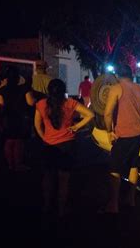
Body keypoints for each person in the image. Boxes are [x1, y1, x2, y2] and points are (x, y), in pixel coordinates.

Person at [102, 65, 140, 213]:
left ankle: (113, 205)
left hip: (123, 134)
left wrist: (109, 131)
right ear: (131, 75)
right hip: (139, 133)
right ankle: (130, 199)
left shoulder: (117, 88)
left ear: (118, 76)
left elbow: (107, 114)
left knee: (114, 168)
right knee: (134, 164)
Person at [34, 79, 94, 217]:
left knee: (48, 177)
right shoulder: (70, 103)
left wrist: (44, 137)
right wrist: (77, 127)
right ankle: (61, 209)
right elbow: (90, 115)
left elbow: (37, 124)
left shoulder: (41, 104)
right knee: (64, 179)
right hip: (67, 144)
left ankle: (46, 205)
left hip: (49, 145)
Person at [0, 68, 35, 171]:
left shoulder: (2, 90)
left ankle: (10, 164)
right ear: (18, 78)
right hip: (20, 117)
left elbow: (1, 105)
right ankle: (18, 164)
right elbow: (30, 102)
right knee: (18, 141)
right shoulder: (24, 88)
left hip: (7, 117)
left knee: (9, 141)